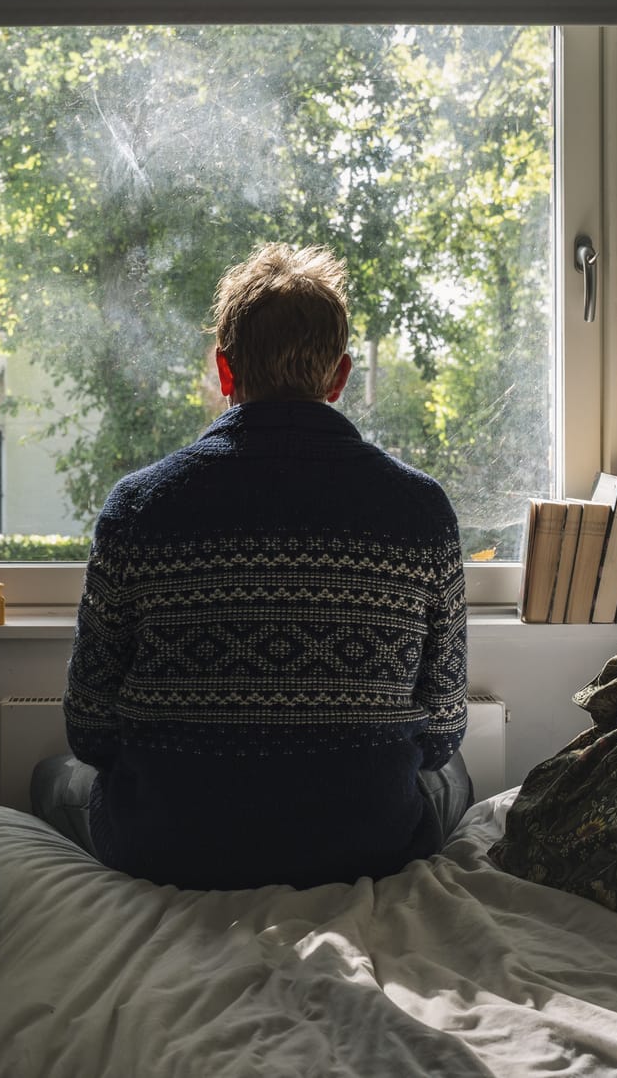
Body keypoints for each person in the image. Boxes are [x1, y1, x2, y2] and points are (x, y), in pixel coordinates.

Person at [32, 243, 472, 890]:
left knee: (50, 780)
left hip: (167, 847)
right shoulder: (423, 510)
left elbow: (90, 733)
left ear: (224, 371)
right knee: (456, 779)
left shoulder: (138, 507)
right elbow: (441, 736)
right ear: (340, 376)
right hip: (368, 846)